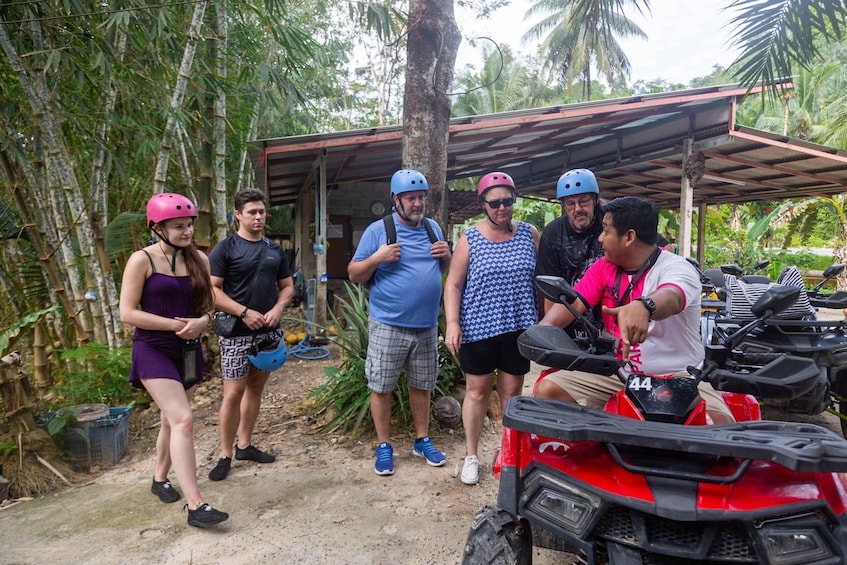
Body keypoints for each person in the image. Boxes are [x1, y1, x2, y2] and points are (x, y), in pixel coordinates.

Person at [534, 196, 734, 425]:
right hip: (623, 374)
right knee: (548, 389)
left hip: (683, 376)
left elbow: (672, 296)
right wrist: (543, 330)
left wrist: (645, 306)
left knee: (722, 428)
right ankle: (594, 448)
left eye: (606, 231)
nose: (600, 238)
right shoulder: (603, 267)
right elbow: (573, 304)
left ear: (628, 237)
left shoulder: (677, 268)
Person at [119, 193, 228, 528]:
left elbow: (208, 304)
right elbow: (127, 313)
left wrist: (203, 321)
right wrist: (176, 324)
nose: (187, 231)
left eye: (190, 225)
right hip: (153, 348)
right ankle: (196, 506)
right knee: (183, 419)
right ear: (157, 228)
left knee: (170, 420)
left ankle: (159, 477)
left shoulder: (199, 259)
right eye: (178, 226)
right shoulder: (142, 260)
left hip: (188, 350)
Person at [348, 169, 452, 476]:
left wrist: (447, 254)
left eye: (421, 197)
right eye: (411, 198)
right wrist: (377, 258)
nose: (418, 203)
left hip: (426, 324)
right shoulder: (379, 230)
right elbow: (354, 273)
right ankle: (384, 445)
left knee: (422, 385)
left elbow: (445, 268)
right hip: (389, 323)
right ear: (396, 200)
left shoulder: (433, 228)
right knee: (382, 386)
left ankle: (422, 440)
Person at [444, 172, 539, 486]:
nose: (502, 208)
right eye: (495, 203)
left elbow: (545, 278)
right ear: (483, 204)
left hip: (518, 326)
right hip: (478, 327)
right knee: (477, 391)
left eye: (507, 201)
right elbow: (454, 285)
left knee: (512, 394)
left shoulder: (529, 234)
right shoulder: (469, 238)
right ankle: (471, 455)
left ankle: (509, 452)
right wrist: (453, 323)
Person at [207, 188, 294, 481]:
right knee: (233, 393)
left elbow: (287, 286)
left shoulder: (274, 249)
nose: (258, 217)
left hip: (268, 331)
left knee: (256, 389)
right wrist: (243, 312)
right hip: (236, 332)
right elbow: (212, 290)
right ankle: (225, 454)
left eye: (261, 212)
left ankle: (245, 444)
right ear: (237, 215)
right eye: (251, 212)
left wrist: (279, 309)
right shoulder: (225, 249)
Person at [535, 168, 605, 315]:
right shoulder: (553, 234)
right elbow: (550, 293)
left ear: (595, 200)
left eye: (584, 201)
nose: (578, 209)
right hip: (570, 315)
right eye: (570, 204)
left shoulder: (611, 221)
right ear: (564, 206)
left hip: (611, 312)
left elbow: (658, 248)